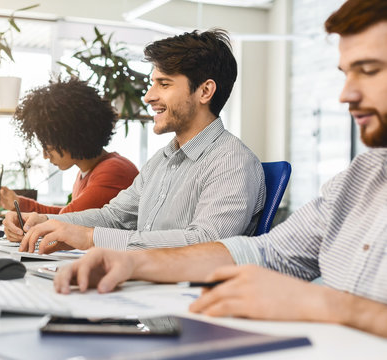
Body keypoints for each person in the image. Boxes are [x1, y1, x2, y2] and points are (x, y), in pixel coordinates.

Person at [53, 0, 387, 338]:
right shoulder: (359, 179)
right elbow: (264, 252)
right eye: (346, 74)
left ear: (205, 91)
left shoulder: (233, 161)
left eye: (370, 70)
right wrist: (130, 262)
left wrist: (329, 305)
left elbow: (208, 238)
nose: (346, 94)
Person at [4, 29, 266, 254]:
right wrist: (44, 221)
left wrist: (88, 237)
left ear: (205, 91)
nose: (149, 96)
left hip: (177, 305)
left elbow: (204, 244)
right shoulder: (162, 161)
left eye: (163, 84)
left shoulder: (232, 162)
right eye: (153, 84)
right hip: (137, 289)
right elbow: (114, 218)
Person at [0, 78, 139, 214]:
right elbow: (69, 216)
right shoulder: (88, 171)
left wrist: (22, 213)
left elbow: (65, 220)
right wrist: (18, 203)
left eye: (48, 147)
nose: (45, 155)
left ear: (71, 137)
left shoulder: (113, 171)